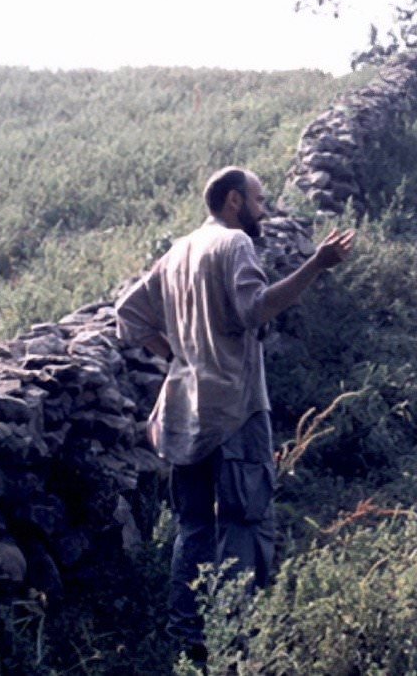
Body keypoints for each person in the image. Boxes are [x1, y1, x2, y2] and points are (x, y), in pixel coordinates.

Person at [114, 167, 355, 658]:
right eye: (258, 200)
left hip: (186, 411)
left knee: (195, 526)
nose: (264, 211)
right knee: (245, 521)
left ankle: (187, 638)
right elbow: (253, 310)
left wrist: (179, 357)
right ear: (232, 202)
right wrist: (317, 265)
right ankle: (236, 638)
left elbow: (128, 315)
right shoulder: (235, 245)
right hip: (235, 409)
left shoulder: (176, 252)